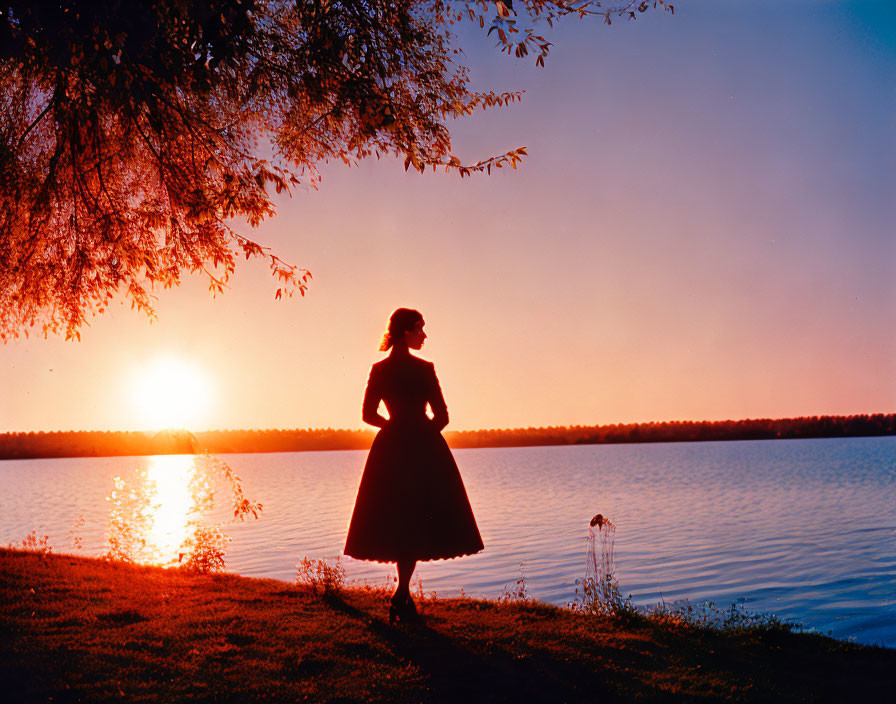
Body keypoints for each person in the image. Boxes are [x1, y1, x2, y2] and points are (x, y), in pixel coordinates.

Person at [344, 308, 484, 624]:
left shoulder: (379, 369)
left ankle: (402, 594)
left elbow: (368, 415)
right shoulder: (424, 369)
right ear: (406, 331)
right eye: (421, 328)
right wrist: (421, 434)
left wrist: (394, 430)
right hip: (423, 450)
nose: (424, 334)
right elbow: (443, 417)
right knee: (416, 517)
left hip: (391, 450)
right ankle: (402, 594)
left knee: (399, 518)